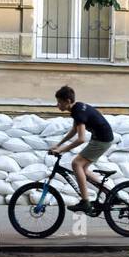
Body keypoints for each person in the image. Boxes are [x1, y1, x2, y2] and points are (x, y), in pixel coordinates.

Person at [49, 85, 114, 214]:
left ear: (67, 101)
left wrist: (61, 150)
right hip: (100, 139)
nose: (57, 105)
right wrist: (59, 144)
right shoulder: (77, 109)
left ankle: (85, 202)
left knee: (76, 163)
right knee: (82, 169)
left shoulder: (78, 112)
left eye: (59, 102)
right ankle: (110, 193)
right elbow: (74, 130)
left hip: (102, 140)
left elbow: (81, 139)